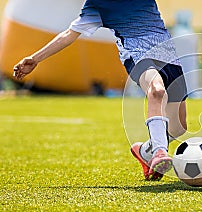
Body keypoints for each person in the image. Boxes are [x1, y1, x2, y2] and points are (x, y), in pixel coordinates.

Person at [13, 0, 188, 181]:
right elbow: (69, 34)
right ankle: (159, 152)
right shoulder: (96, 5)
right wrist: (35, 58)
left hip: (168, 56)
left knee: (179, 127)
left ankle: (144, 150)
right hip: (137, 54)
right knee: (157, 91)